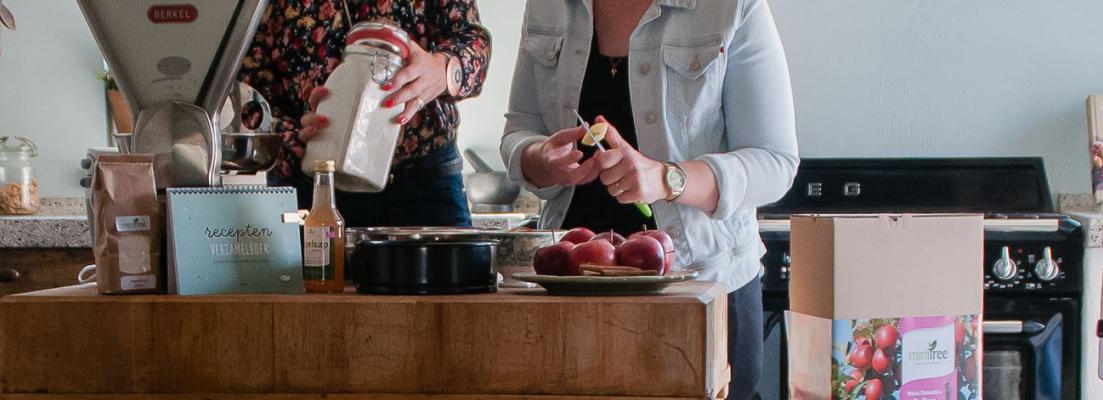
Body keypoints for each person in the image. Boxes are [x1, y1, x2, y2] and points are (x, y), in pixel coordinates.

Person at [501, 0, 799, 399]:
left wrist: (666, 178)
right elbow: (520, 128)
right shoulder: (548, 5)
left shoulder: (732, 6)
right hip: (570, 292)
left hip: (704, 289)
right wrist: (537, 159)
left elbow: (774, 162)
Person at [240, 0, 490, 227]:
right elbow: (247, 97)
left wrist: (443, 68)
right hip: (316, 189)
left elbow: (474, 39)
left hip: (426, 181)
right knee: (315, 279)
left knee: (462, 278)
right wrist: (291, 137)